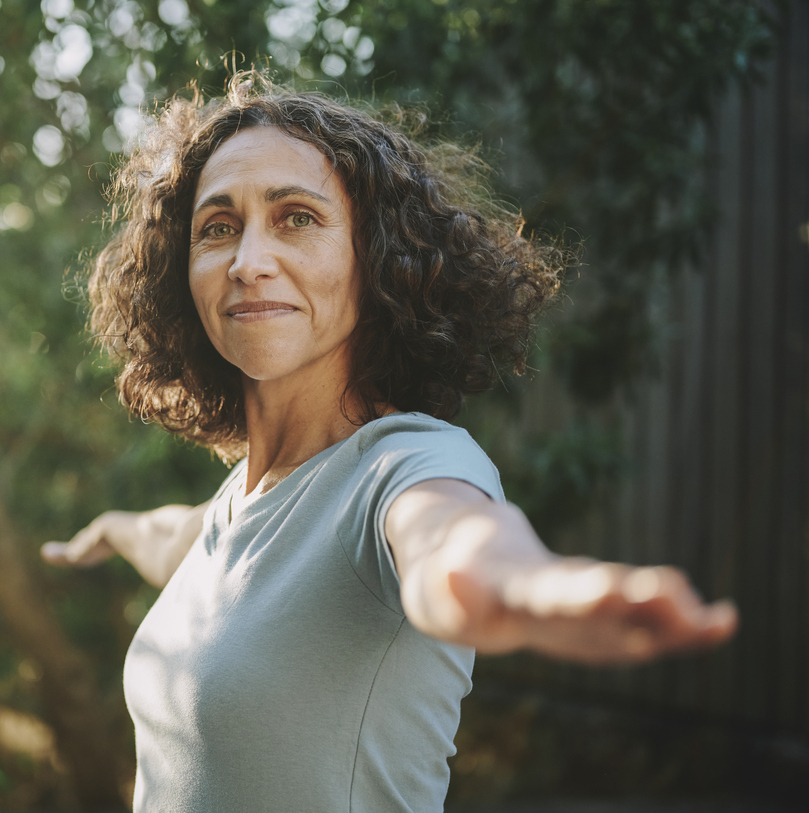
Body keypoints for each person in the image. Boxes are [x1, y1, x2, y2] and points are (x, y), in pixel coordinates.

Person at [42, 75, 737, 812]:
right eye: (217, 227)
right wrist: (108, 534)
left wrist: (527, 587)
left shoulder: (405, 465)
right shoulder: (234, 505)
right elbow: (165, 536)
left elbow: (454, 543)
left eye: (296, 217)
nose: (247, 259)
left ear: (375, 259)